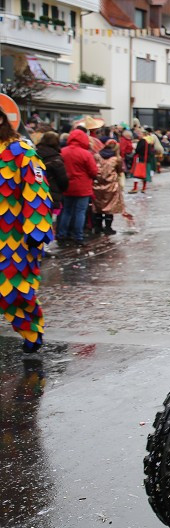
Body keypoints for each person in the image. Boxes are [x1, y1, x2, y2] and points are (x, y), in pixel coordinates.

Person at [0, 104, 53, 352]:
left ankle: (31, 333)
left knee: (14, 289)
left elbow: (37, 190)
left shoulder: (20, 151)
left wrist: (37, 229)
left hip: (13, 237)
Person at [58, 128, 98, 246]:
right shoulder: (86, 154)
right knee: (80, 212)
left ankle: (62, 234)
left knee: (66, 211)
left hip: (67, 186)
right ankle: (78, 236)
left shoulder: (63, 151)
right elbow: (93, 171)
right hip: (83, 187)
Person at [91, 139, 124, 235]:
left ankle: (98, 227)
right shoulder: (116, 159)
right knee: (110, 207)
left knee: (97, 207)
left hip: (96, 184)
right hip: (111, 185)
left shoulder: (96, 156)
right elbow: (120, 171)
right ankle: (108, 227)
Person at [129, 128, 154, 193]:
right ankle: (144, 188)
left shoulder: (142, 141)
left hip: (140, 159)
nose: (138, 135)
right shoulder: (149, 141)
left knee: (136, 174)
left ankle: (135, 188)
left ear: (143, 134)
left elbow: (138, 150)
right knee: (144, 174)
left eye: (139, 133)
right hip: (147, 160)